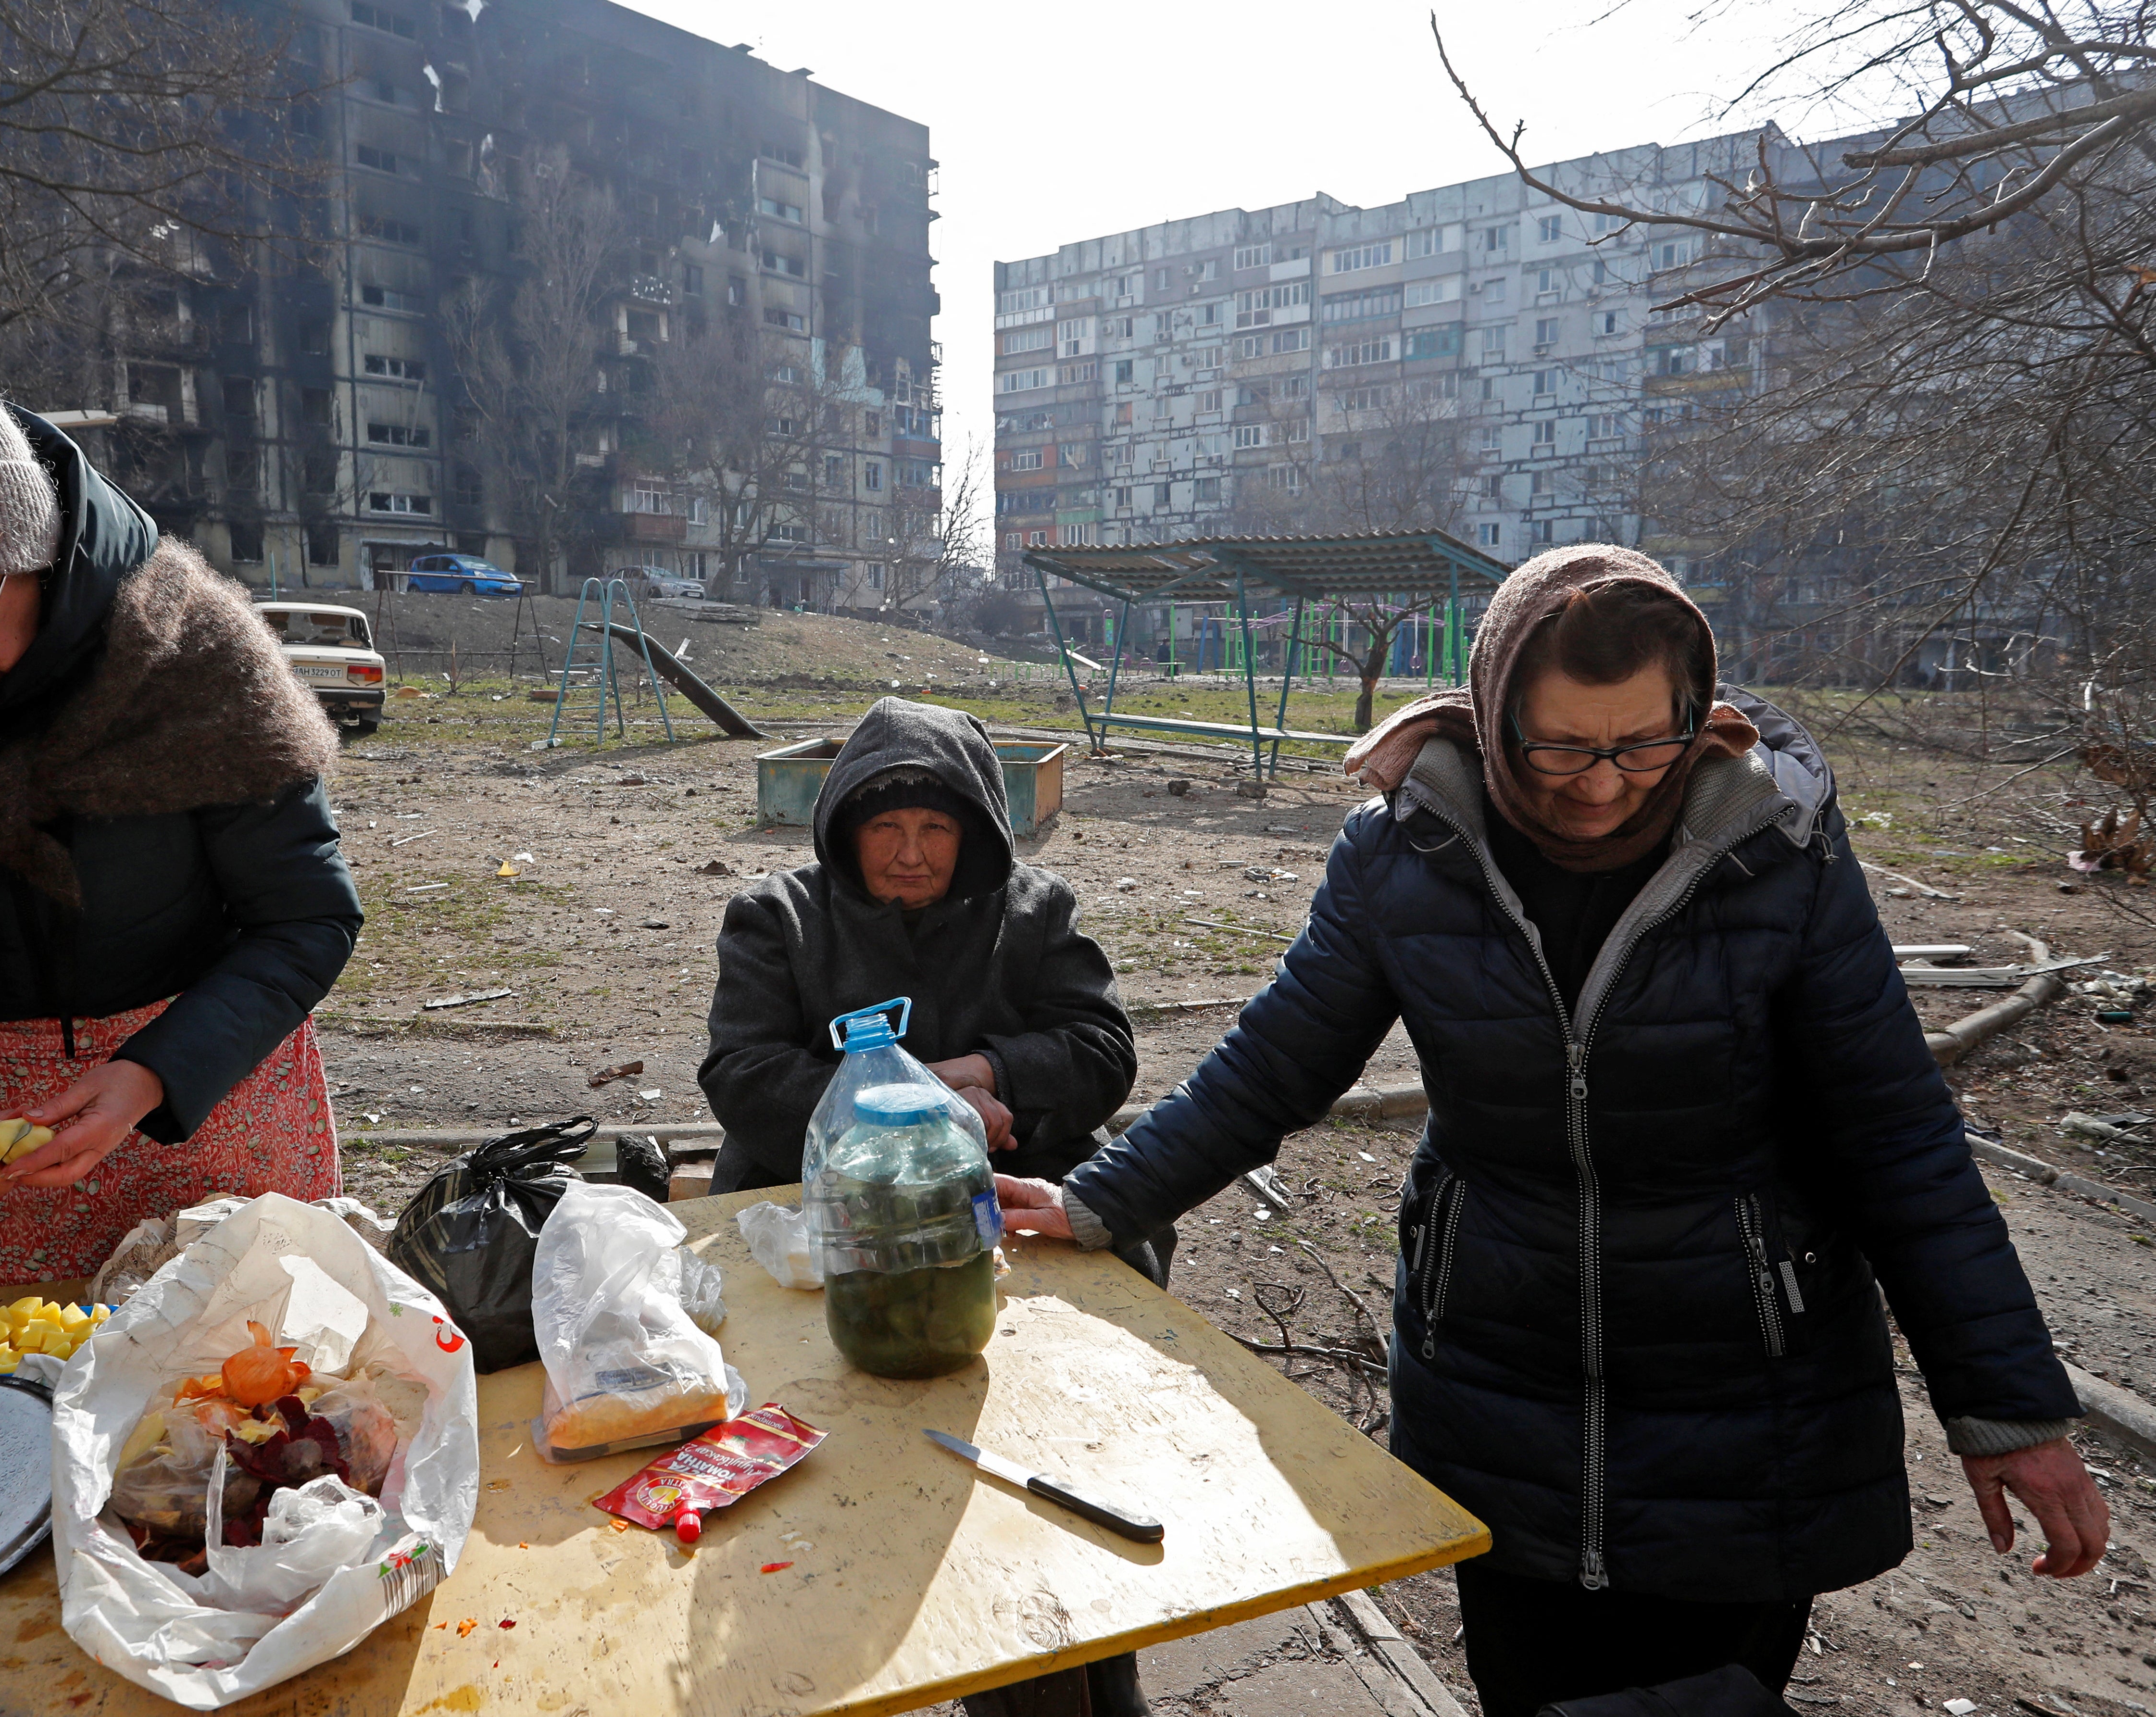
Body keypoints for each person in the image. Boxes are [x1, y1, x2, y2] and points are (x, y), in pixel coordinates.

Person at [996, 546, 2106, 1717]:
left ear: (1698, 709)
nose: (1603, 784)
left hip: (1742, 1395)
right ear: (1492, 712)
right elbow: (1276, 1063)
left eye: (1642, 743)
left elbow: (1898, 1130)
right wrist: (1104, 1199)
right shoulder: (1406, 850)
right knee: (1526, 1690)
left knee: (1707, 1698)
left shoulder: (1776, 848)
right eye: (1563, 745)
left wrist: (2010, 1409)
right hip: (1495, 1373)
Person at [0, 326, 362, 1296]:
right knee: (0, 1412)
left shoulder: (189, 652)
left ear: (32, 550)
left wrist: (152, 1075)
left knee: (244, 1402)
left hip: (209, 1103)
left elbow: (305, 916)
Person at [700, 695, 1155, 1717]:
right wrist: (919, 1112)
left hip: (1001, 1234)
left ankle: (1063, 1664)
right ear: (845, 831)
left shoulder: (1034, 915)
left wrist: (989, 1066)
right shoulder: (780, 916)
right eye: (885, 828)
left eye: (937, 828)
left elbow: (1103, 1051)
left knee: (1035, 1477)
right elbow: (739, 1073)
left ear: (976, 833)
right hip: (824, 1243)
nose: (910, 853)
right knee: (818, 1480)